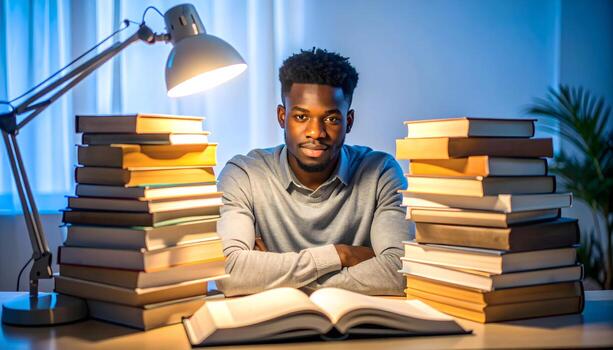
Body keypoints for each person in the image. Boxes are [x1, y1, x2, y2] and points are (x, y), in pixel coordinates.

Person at [216, 48, 409, 296]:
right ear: (282, 116)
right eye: (301, 116)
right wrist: (341, 254)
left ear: (348, 121)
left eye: (331, 119)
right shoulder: (244, 174)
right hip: (269, 326)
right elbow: (229, 271)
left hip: (360, 328)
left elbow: (401, 271)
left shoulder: (381, 172)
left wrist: (266, 277)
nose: (316, 132)